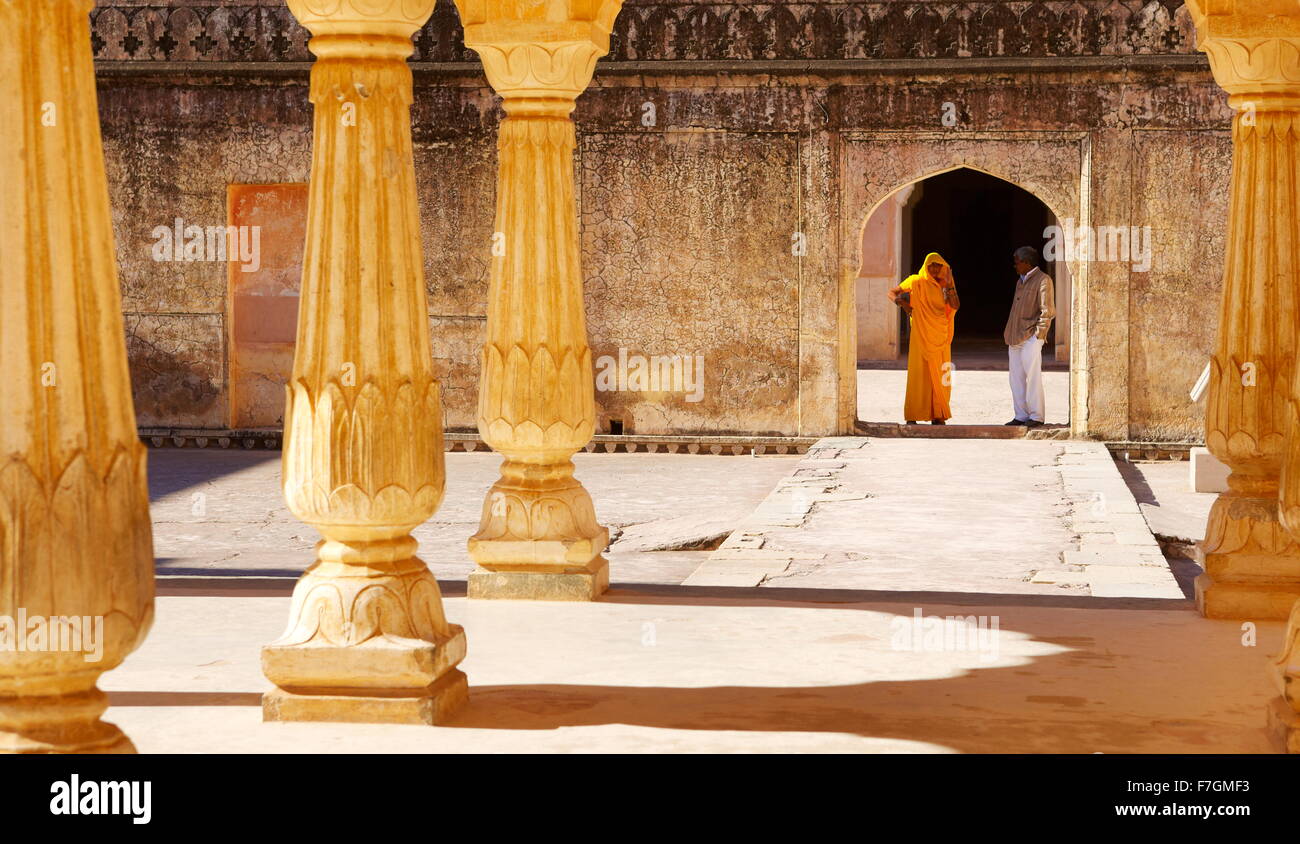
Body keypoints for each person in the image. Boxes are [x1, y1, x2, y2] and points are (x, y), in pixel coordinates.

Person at [889, 252, 960, 425]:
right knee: (919, 374)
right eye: (932, 265)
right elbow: (892, 292)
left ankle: (938, 414)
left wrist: (950, 285)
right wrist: (904, 305)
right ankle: (913, 414)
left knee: (941, 374)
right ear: (926, 266)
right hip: (921, 335)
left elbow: (955, 305)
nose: (935, 269)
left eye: (938, 265)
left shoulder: (946, 285)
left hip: (940, 336)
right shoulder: (916, 281)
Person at [1003, 246, 1055, 428]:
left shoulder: (1043, 280)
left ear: (1027, 263)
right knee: (1015, 377)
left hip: (1031, 336)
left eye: (1017, 262)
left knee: (1032, 376)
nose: (1015, 266)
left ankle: (1037, 416)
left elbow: (1047, 311)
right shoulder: (1020, 281)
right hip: (1014, 336)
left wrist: (1038, 336)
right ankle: (1021, 415)